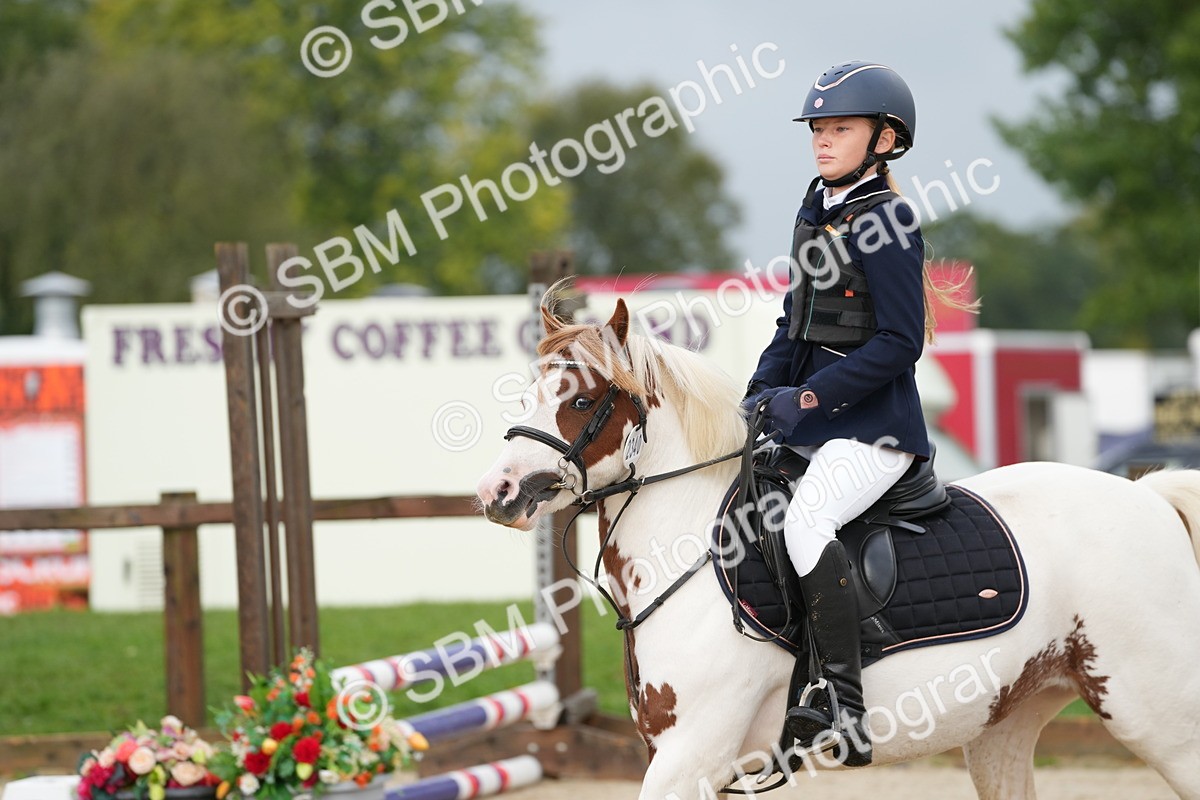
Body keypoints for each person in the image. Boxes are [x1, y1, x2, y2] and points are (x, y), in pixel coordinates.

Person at [742, 60, 963, 767]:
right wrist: (758, 392)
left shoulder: (888, 219)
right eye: (819, 128)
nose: (823, 140)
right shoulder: (817, 209)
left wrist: (805, 400)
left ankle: (846, 704)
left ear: (886, 139)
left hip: (875, 429)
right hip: (813, 422)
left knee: (807, 520)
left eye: (840, 128)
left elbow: (901, 343)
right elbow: (794, 322)